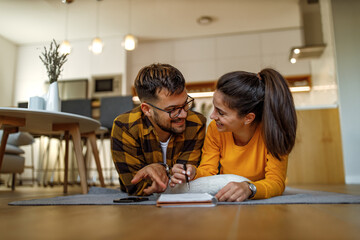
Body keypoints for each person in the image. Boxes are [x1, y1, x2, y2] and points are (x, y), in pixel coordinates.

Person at [170, 68, 297, 202]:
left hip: (260, 201)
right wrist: (193, 172)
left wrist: (249, 188)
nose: (212, 116)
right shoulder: (215, 129)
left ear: (248, 118)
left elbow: (276, 182)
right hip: (228, 199)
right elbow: (208, 171)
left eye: (221, 113)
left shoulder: (273, 133)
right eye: (214, 108)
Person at [111, 63, 206, 196]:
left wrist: (162, 169)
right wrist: (168, 173)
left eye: (185, 104)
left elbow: (185, 180)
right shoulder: (125, 127)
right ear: (147, 110)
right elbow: (134, 186)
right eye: (172, 110)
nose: (184, 114)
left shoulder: (196, 123)